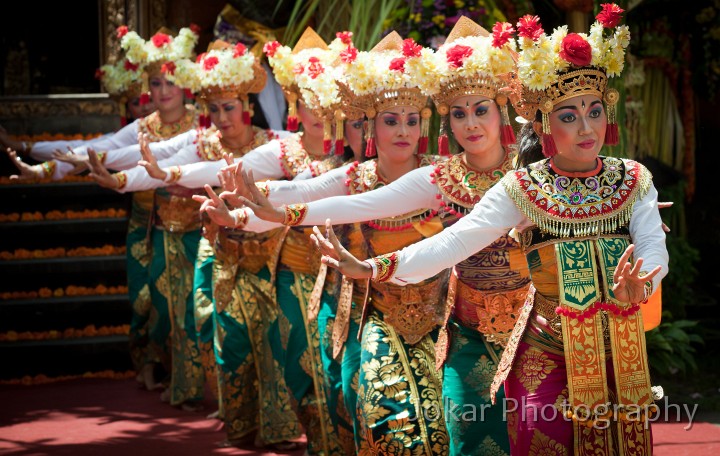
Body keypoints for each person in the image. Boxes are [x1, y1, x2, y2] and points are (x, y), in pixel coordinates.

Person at [312, 6, 667, 455]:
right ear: (543, 124)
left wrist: (646, 280)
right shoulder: (523, 186)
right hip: (545, 352)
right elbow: (456, 241)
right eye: (570, 116)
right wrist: (374, 266)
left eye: (594, 111)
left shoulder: (633, 179)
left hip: (622, 349)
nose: (587, 127)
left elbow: (654, 244)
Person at [206, 31, 453, 455]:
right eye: (390, 120)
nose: (403, 131)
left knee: (442, 423)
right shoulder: (355, 176)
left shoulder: (444, 173)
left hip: (438, 313)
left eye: (412, 120)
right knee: (367, 406)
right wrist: (241, 214)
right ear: (370, 125)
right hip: (367, 309)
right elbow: (300, 194)